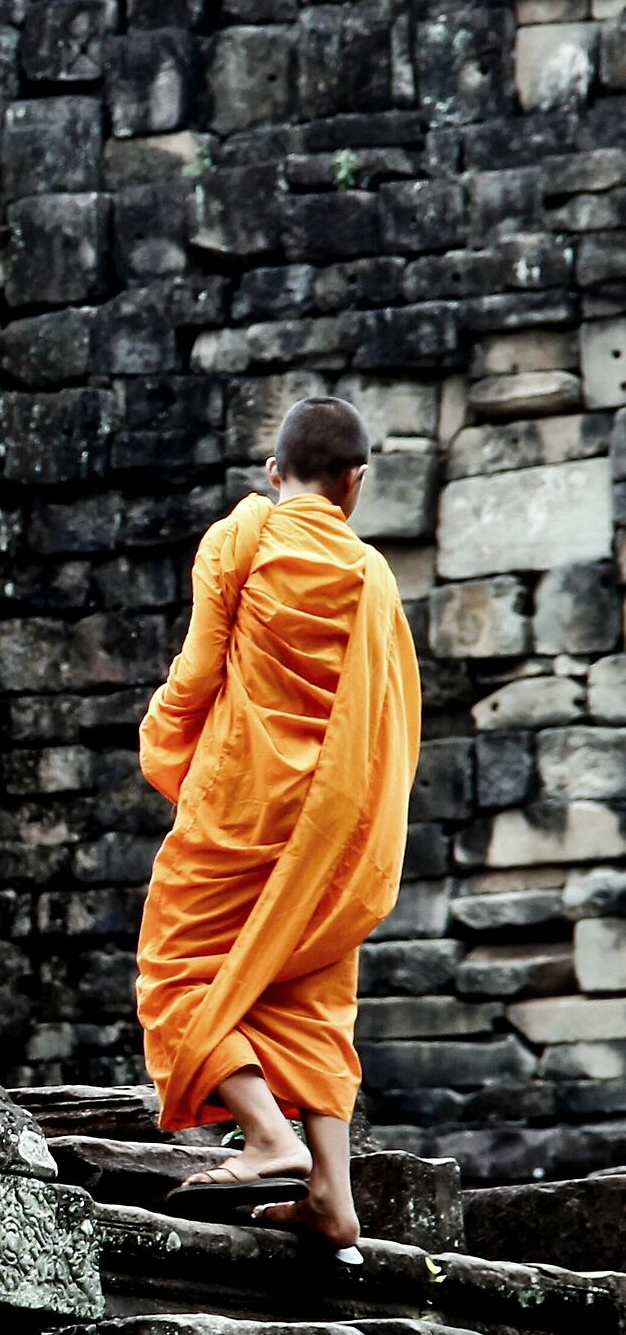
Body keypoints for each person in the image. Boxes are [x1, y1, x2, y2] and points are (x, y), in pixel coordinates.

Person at [139, 396, 421, 1258]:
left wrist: (163, 743)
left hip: (240, 802)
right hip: (334, 818)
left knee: (176, 967)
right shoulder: (372, 575)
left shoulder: (244, 536)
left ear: (273, 474)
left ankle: (267, 1134)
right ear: (356, 483)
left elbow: (195, 671)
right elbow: (395, 716)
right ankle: (333, 1196)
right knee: (313, 989)